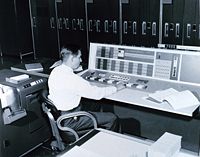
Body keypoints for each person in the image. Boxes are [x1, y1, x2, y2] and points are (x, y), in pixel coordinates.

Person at [48, 45, 124, 133]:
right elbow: (97, 94)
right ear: (72, 58)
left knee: (95, 104)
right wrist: (115, 88)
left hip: (60, 116)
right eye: (79, 57)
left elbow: (70, 83)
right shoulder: (74, 80)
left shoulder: (56, 71)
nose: (81, 60)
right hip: (71, 120)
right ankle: (110, 143)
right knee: (112, 118)